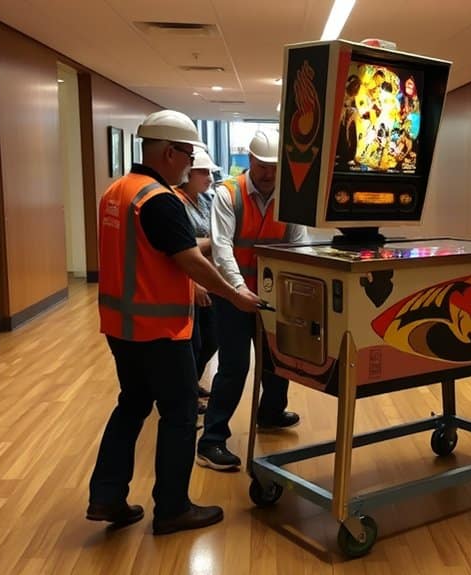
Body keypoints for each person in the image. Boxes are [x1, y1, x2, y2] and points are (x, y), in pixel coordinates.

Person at [86, 110, 260, 535]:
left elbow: (152, 248)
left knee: (132, 404)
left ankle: (106, 496)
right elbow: (188, 262)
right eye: (186, 155)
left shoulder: (118, 192)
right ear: (168, 151)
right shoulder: (159, 200)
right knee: (180, 413)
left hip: (120, 326)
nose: (189, 164)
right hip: (159, 330)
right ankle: (172, 508)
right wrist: (233, 295)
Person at [196, 130, 308, 471]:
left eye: (275, 168)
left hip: (273, 295)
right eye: (262, 167)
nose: (269, 174)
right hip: (232, 295)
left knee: (279, 358)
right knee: (234, 367)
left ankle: (271, 412)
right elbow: (221, 248)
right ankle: (211, 440)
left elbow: (298, 246)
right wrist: (236, 289)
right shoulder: (228, 194)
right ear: (250, 160)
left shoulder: (291, 197)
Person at [173, 149, 221, 407]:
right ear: (188, 174)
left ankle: (191, 384)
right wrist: (195, 283)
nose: (209, 177)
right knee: (194, 342)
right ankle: (186, 393)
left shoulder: (203, 200)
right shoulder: (176, 203)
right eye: (204, 172)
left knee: (211, 339)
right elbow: (180, 249)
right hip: (190, 281)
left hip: (208, 275)